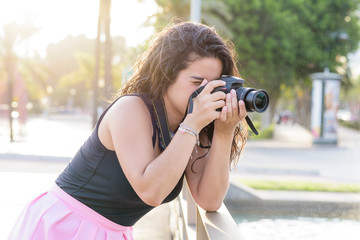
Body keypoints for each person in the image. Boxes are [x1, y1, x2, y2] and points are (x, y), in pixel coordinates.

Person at [8, 20, 248, 240]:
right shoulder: (131, 109)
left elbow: (210, 200)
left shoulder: (193, 125)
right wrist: (192, 125)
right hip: (66, 226)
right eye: (197, 83)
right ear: (166, 75)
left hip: (111, 232)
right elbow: (151, 191)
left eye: (215, 84)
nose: (206, 93)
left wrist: (224, 133)